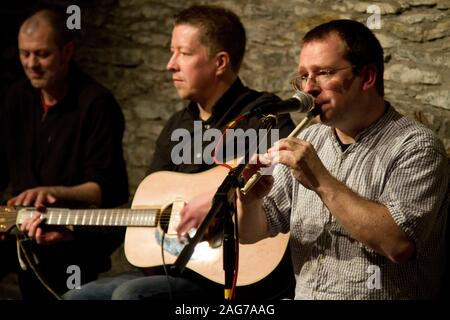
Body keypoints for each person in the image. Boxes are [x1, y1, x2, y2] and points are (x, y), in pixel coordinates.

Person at [63, 4, 296, 300]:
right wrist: (71, 227)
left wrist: (217, 202)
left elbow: (283, 173)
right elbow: (146, 209)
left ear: (220, 62)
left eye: (183, 53)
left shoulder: (262, 115)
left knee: (129, 295)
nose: (170, 64)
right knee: (75, 298)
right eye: (172, 52)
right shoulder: (176, 126)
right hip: (177, 266)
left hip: (231, 274)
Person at [235, 19, 449, 299]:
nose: (308, 89)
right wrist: (249, 202)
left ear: (368, 77)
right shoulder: (312, 138)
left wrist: (320, 179)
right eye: (303, 76)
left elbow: (397, 245)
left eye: (323, 73)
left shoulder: (416, 146)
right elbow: (252, 232)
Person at [0, 8, 129, 300]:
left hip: (70, 232)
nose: (31, 64)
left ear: (67, 51)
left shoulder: (96, 103)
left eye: (42, 54)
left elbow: (104, 189)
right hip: (17, 223)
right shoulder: (17, 98)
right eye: (25, 54)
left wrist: (52, 191)